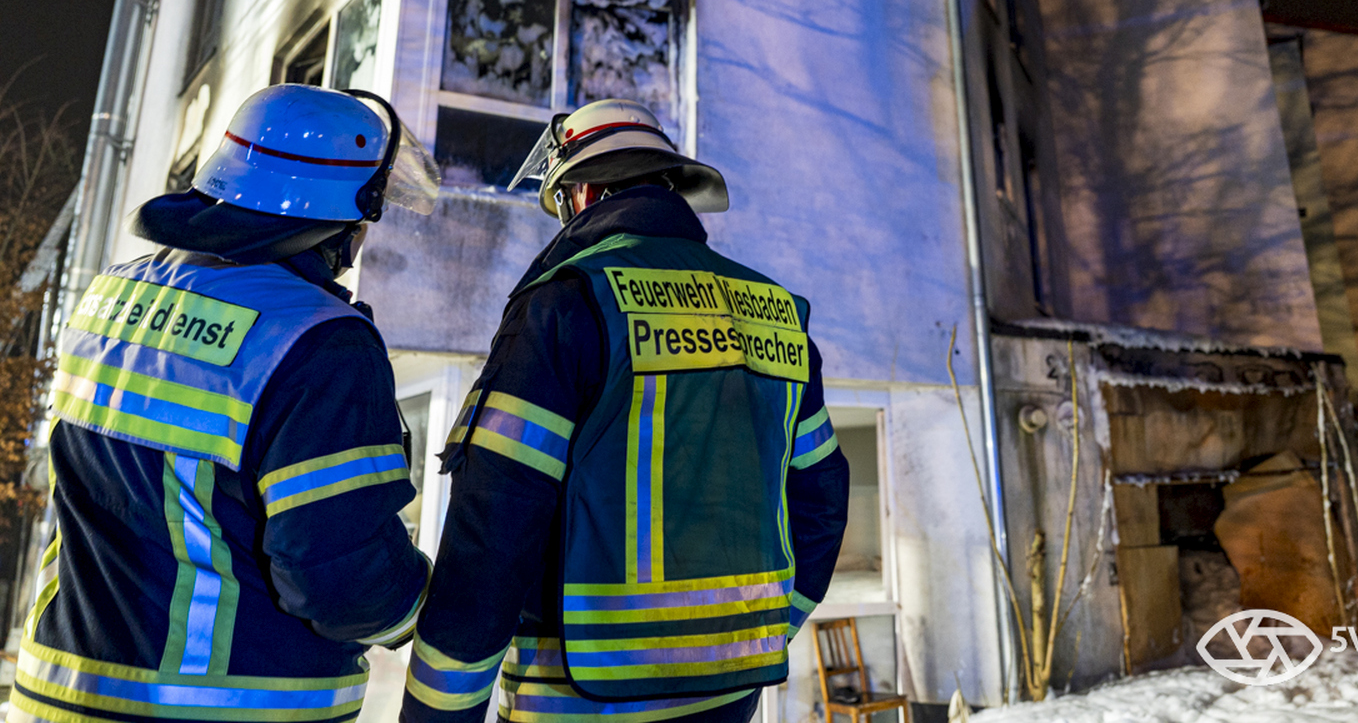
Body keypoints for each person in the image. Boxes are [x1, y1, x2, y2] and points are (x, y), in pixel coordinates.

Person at [402, 99, 850, 723]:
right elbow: (821, 501)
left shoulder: (567, 303)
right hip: (730, 693)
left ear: (580, 193)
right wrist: (770, 627)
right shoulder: (776, 312)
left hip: (576, 696)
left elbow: (496, 523)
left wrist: (439, 713)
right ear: (671, 187)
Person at [9, 85, 440, 723]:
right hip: (215, 707)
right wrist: (428, 604)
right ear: (346, 226)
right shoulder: (318, 340)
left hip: (56, 695)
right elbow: (338, 579)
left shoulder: (109, 297)